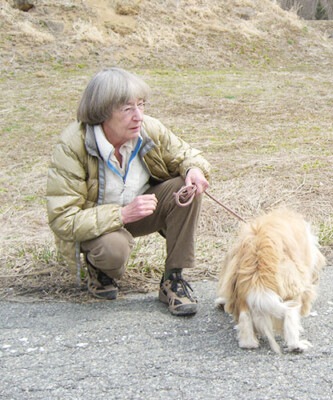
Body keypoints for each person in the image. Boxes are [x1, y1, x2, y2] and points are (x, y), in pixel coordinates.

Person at [46, 67, 211, 316]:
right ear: (102, 112)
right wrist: (121, 215)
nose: (139, 116)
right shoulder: (72, 146)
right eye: (127, 109)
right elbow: (62, 219)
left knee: (185, 189)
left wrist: (194, 170)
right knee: (113, 249)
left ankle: (173, 279)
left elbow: (188, 154)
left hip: (142, 213)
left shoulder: (148, 129)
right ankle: (99, 269)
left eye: (141, 105)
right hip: (100, 227)